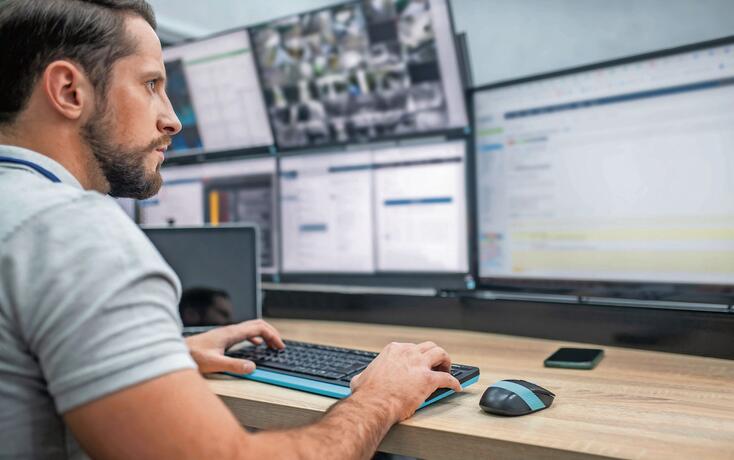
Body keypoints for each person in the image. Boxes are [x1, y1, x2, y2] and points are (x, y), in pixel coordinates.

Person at [0, 1, 462, 459]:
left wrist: (157, 356)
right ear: (68, 90)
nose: (172, 119)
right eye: (151, 84)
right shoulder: (74, 233)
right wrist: (379, 397)